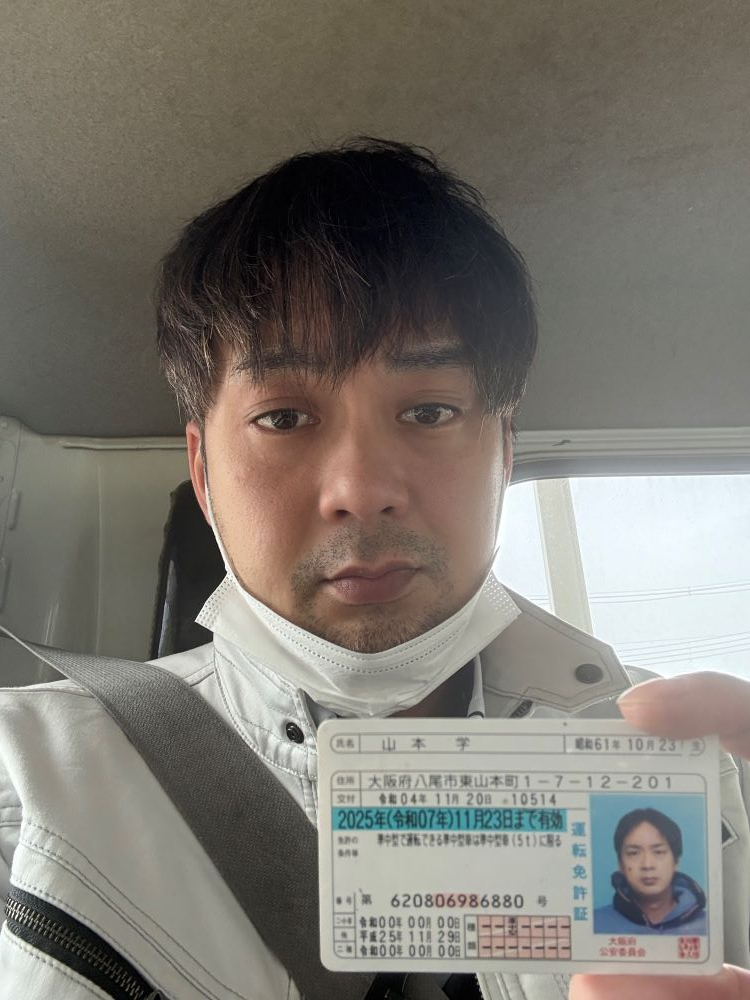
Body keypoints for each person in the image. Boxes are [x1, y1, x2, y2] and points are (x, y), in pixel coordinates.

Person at [0, 139, 748, 1000]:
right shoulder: (31, 780)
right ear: (203, 473)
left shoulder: (688, 768)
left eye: (428, 410)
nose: (361, 491)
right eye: (283, 418)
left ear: (504, 451)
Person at [593, 807, 706, 935]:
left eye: (658, 852)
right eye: (634, 853)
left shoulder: (706, 926)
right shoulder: (596, 924)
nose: (647, 865)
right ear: (620, 864)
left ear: (676, 861)